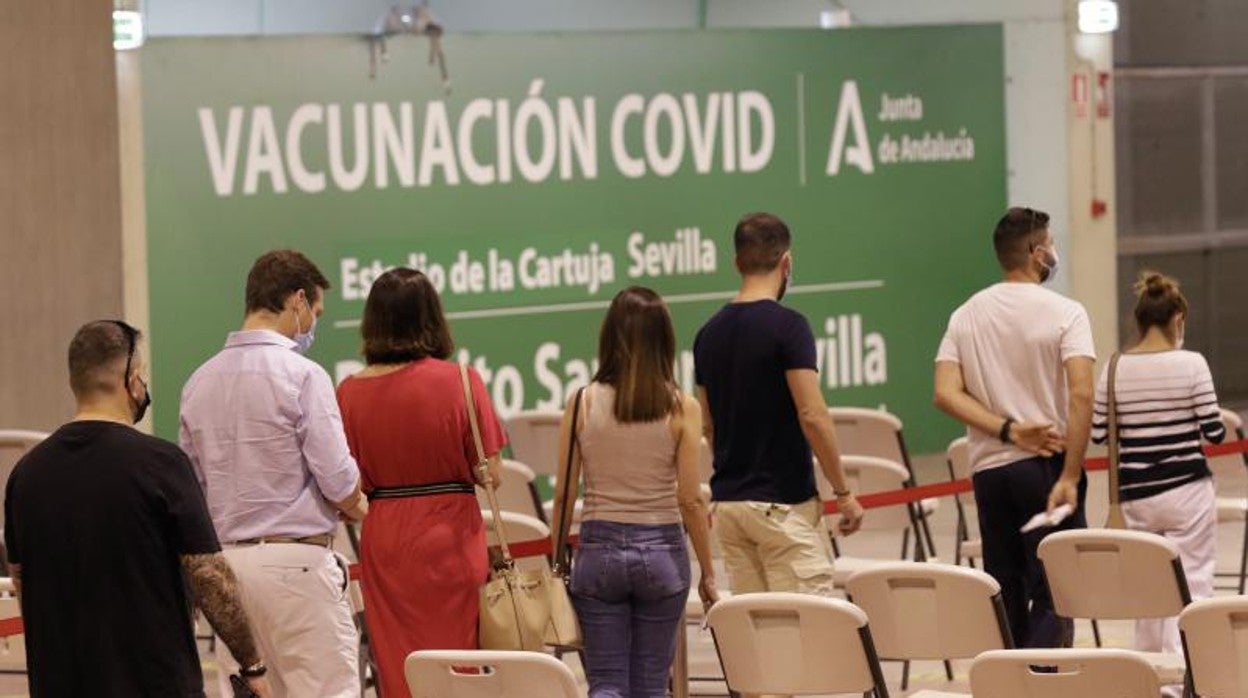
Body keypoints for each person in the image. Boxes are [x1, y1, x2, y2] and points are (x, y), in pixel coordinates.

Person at [3, 320, 270, 697]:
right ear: (131, 380)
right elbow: (210, 576)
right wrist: (252, 665)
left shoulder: (26, 475)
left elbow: (21, 581)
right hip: (154, 684)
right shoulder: (162, 464)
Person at [180, 250, 367, 697]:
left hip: (227, 571)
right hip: (296, 567)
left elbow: (192, 491)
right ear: (298, 301)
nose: (314, 323)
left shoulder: (197, 383)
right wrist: (356, 504)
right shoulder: (304, 375)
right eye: (316, 311)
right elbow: (338, 479)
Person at [335, 268, 506, 698]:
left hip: (386, 537)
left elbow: (348, 481)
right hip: (452, 535)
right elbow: (493, 474)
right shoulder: (462, 380)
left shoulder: (348, 392)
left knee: (399, 665)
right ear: (432, 317)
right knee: (460, 663)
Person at [933, 206, 1095, 648]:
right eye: (1052, 244)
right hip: (1045, 469)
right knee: (1055, 591)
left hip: (990, 473)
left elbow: (945, 392)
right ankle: (1041, 677)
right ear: (1037, 252)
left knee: (1005, 591)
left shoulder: (966, 314)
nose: (1055, 252)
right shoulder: (1067, 312)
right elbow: (1082, 394)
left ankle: (1009, 678)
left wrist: (1006, 430)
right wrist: (1071, 475)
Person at [552, 286, 718, 698]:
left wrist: (556, 558)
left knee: (606, 683)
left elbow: (564, 494)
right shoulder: (682, 406)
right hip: (662, 552)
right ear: (664, 339)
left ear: (609, 337)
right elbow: (690, 499)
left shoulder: (581, 402)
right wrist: (708, 571)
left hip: (598, 551)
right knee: (650, 685)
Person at [693, 212, 864, 606]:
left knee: (757, 631)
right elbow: (812, 415)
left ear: (737, 262)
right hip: (782, 506)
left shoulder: (707, 334)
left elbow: (708, 424)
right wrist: (843, 492)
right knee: (804, 628)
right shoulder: (790, 327)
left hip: (730, 507)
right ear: (786, 263)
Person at [1091, 271, 1222, 680]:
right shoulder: (1192, 364)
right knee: (1192, 585)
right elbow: (1215, 432)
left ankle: (1148, 676)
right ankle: (1188, 676)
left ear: (1139, 320)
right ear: (1177, 320)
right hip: (1188, 493)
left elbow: (1099, 434)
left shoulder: (1114, 368)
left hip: (1137, 497)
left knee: (1148, 589)